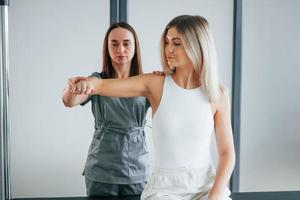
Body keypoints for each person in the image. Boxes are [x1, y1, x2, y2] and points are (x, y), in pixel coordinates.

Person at [70, 15, 235, 200]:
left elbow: (227, 152)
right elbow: (100, 85)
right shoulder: (155, 84)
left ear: (198, 45)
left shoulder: (218, 94)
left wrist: (215, 194)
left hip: (206, 186)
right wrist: (88, 82)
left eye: (177, 43)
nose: (168, 49)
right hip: (164, 189)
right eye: (167, 42)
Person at [62, 22, 151, 196]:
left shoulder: (146, 82)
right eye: (114, 44)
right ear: (107, 48)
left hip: (137, 170)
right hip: (101, 171)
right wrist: (73, 86)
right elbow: (69, 101)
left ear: (135, 47)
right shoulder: (96, 80)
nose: (121, 50)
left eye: (126, 43)